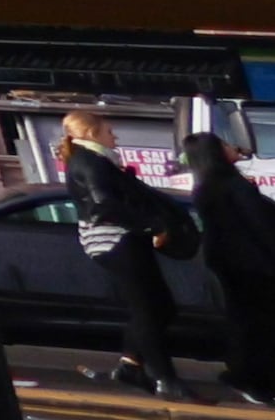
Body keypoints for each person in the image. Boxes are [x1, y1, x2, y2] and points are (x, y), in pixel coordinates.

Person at [61, 110, 195, 400]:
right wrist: (150, 225)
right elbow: (105, 204)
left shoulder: (95, 161)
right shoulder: (91, 162)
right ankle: (165, 379)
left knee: (159, 307)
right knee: (149, 308)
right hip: (116, 241)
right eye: (109, 131)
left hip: (120, 239)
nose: (115, 137)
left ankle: (131, 365)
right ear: (91, 134)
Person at [181, 132, 275, 408]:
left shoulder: (207, 185)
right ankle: (267, 381)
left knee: (246, 321)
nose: (231, 146)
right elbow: (262, 227)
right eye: (223, 144)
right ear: (215, 152)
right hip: (254, 265)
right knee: (271, 324)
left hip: (231, 262)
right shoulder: (232, 185)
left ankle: (249, 376)